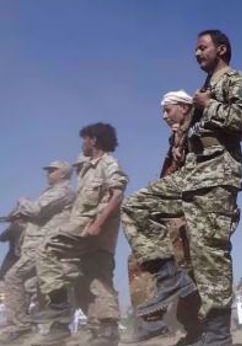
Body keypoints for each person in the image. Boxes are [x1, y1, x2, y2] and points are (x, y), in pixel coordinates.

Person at [123, 30, 242, 346]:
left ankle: (216, 333)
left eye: (202, 48)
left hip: (217, 177)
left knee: (209, 255)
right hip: (192, 174)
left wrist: (209, 105)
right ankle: (170, 277)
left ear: (221, 49)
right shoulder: (204, 88)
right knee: (136, 206)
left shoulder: (232, 80)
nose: (196, 53)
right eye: (195, 49)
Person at [33, 123, 128, 346]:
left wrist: (97, 224)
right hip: (90, 230)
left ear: (93, 140)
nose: (82, 144)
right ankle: (105, 330)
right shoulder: (88, 168)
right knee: (94, 277)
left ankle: (58, 305)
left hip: (91, 228)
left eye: (84, 139)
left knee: (47, 248)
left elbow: (117, 195)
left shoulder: (108, 164)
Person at [124, 90, 198, 344]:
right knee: (141, 257)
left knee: (189, 268)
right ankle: (151, 319)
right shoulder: (176, 137)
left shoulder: (197, 126)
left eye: (168, 109)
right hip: (175, 208)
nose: (164, 116)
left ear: (185, 107)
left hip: (195, 207)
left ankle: (195, 328)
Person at [1, 161, 75, 342]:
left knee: (13, 277)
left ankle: (18, 326)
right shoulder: (51, 192)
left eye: (52, 170)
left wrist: (22, 200)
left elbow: (36, 210)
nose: (48, 173)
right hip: (39, 246)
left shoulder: (63, 191)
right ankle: (52, 329)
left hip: (44, 246)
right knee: (37, 288)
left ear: (63, 174)